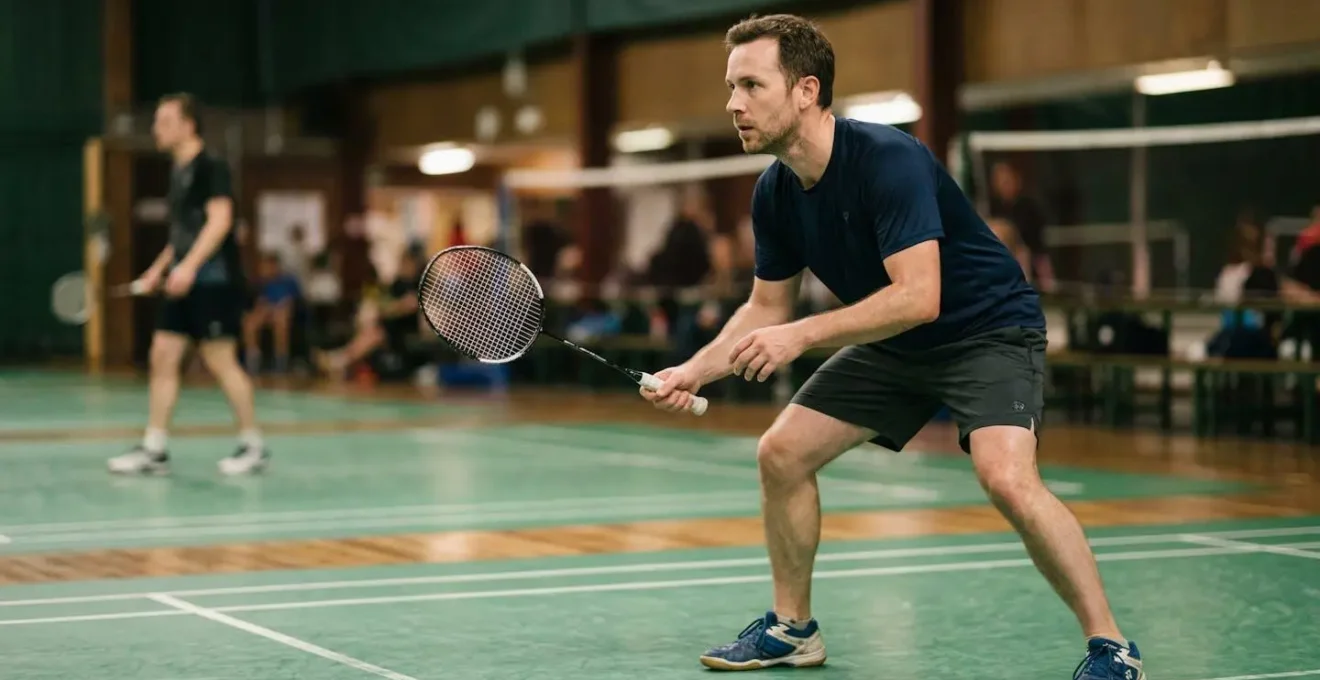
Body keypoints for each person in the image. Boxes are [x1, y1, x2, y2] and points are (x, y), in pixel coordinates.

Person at [639, 15, 1144, 679]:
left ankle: (1112, 646)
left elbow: (918, 297)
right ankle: (793, 630)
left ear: (805, 91)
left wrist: (802, 336)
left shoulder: (887, 160)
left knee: (1006, 476)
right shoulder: (775, 192)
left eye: (751, 85)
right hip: (896, 343)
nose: (733, 103)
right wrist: (694, 370)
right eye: (731, 86)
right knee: (783, 453)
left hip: (985, 329)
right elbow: (766, 307)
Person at [108, 93, 270, 476]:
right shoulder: (178, 174)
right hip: (185, 279)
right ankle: (154, 448)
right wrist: (158, 269)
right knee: (162, 354)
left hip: (213, 282)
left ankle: (253, 445)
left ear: (188, 124)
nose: (155, 129)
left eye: (164, 121)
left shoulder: (211, 167)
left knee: (220, 360)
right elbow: (182, 235)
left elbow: (220, 221)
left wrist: (190, 268)